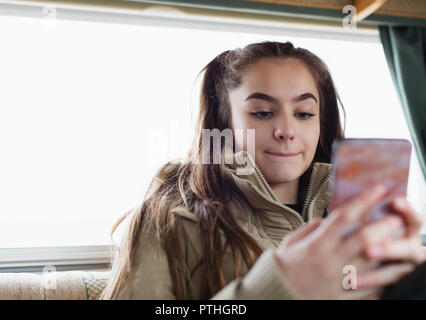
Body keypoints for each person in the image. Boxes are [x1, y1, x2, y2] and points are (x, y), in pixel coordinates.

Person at [99, 41, 425, 300]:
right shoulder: (164, 220)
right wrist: (280, 286)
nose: (287, 130)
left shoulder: (356, 215)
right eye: (263, 113)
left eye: (304, 113)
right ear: (226, 125)